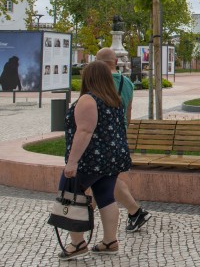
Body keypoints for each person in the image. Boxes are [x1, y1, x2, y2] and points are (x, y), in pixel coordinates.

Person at [57, 60, 131, 260]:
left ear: (88, 78)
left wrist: (72, 162)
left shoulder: (88, 100)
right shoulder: (114, 99)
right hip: (112, 158)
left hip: (91, 159)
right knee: (106, 196)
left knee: (69, 193)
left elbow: (85, 131)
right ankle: (109, 241)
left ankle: (78, 243)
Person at [96, 48, 151, 232]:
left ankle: (83, 218)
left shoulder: (98, 81)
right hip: (119, 136)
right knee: (106, 177)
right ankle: (135, 212)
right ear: (115, 62)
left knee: (99, 177)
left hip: (99, 138)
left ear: (99, 63)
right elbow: (128, 113)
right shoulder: (127, 83)